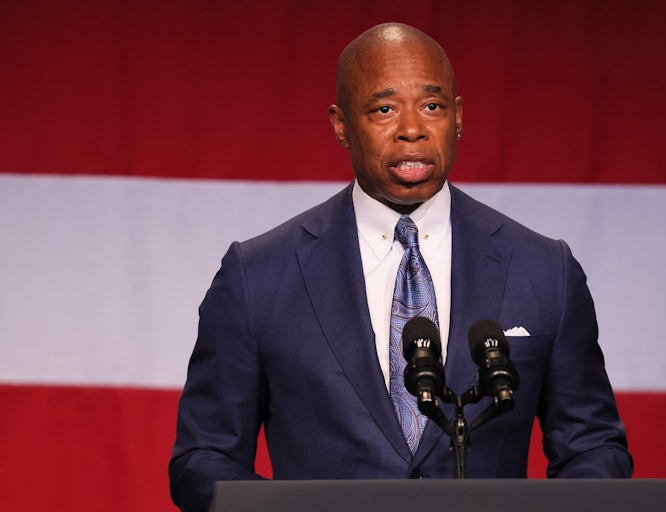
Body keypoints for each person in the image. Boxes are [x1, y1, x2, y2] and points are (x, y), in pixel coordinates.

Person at [169, 22, 632, 512]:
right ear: (341, 125)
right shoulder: (257, 276)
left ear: (458, 117)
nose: (412, 129)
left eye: (432, 106)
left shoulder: (544, 270)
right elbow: (203, 459)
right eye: (384, 109)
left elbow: (595, 448)